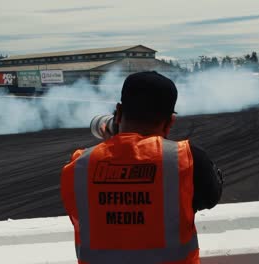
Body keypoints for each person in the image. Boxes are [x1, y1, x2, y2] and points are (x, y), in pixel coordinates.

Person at [61, 71, 223, 264]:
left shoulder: (79, 164)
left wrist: (113, 146)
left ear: (119, 112)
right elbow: (210, 197)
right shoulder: (187, 158)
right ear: (170, 121)